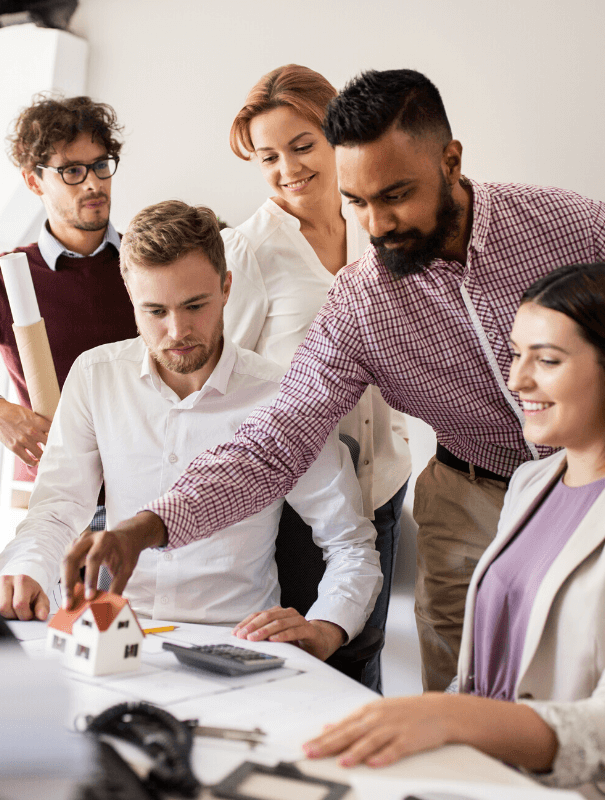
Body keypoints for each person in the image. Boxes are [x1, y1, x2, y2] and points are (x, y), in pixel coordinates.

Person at [61, 68, 605, 692]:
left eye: (395, 196)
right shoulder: (359, 301)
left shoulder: (573, 227)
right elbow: (273, 444)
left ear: (450, 161)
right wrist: (147, 527)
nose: (376, 225)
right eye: (357, 202)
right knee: (468, 693)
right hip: (470, 496)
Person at [302, 262, 605, 799]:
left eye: (547, 360)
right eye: (514, 354)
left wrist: (449, 717)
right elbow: (489, 672)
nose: (516, 381)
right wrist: (431, 726)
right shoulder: (533, 483)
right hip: (491, 777)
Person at [0, 201, 381, 661]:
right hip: (114, 633)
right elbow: (56, 510)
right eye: (155, 311)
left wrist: (327, 627)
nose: (178, 331)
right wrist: (26, 572)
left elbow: (351, 544)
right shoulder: (96, 376)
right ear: (130, 298)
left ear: (226, 287)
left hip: (236, 641)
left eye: (195, 305)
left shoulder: (281, 397)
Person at [222, 64, 412, 689]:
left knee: (364, 659)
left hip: (381, 482)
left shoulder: (376, 228)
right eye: (268, 157)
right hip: (295, 504)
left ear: (336, 137)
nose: (288, 169)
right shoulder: (246, 251)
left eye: (302, 146)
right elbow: (226, 382)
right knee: (301, 671)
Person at [0, 93, 137, 482]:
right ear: (32, 181)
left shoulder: (147, 264)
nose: (93, 183)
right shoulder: (3, 280)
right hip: (62, 497)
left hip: (156, 490)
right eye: (71, 170)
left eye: (100, 166)